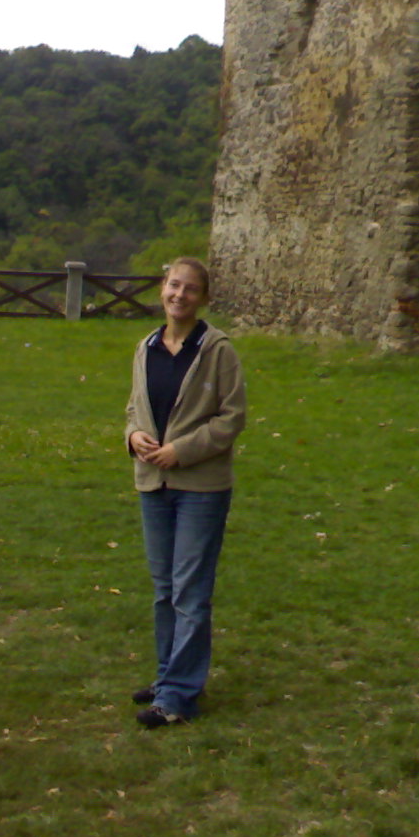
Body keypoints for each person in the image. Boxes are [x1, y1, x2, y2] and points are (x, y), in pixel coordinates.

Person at [124, 257, 246, 728]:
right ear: (163, 289)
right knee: (164, 590)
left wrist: (183, 450)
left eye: (191, 289)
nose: (180, 295)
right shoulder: (147, 347)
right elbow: (135, 408)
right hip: (153, 484)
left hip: (200, 487)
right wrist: (133, 437)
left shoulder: (217, 351)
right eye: (174, 285)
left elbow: (231, 418)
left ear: (204, 298)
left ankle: (178, 697)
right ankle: (168, 678)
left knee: (190, 592)